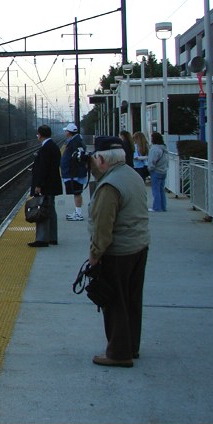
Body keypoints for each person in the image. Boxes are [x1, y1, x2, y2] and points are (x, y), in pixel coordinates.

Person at [86, 136, 150, 368]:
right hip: (138, 247)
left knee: (114, 304)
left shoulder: (109, 186)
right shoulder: (131, 175)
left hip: (118, 253)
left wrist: (95, 256)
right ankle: (131, 346)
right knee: (132, 300)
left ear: (101, 158)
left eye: (95, 158)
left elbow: (103, 227)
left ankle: (118, 353)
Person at [28, 124, 63, 247]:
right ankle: (52, 237)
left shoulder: (45, 148)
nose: (37, 136)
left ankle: (42, 239)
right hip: (52, 183)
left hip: (45, 185)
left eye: (38, 134)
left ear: (40, 135)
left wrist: (38, 184)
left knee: (42, 210)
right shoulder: (53, 146)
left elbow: (43, 169)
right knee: (51, 210)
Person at [60, 123, 87, 221]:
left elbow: (79, 156)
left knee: (77, 193)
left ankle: (78, 214)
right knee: (77, 193)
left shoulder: (75, 142)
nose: (65, 132)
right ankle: (77, 212)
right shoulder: (75, 140)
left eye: (66, 131)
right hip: (74, 172)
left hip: (75, 173)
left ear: (69, 132)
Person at [147, 131, 169, 212]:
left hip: (156, 171)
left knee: (155, 190)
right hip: (163, 171)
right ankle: (163, 206)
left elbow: (152, 161)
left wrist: (150, 168)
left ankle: (156, 207)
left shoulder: (154, 149)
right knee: (161, 190)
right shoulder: (163, 148)